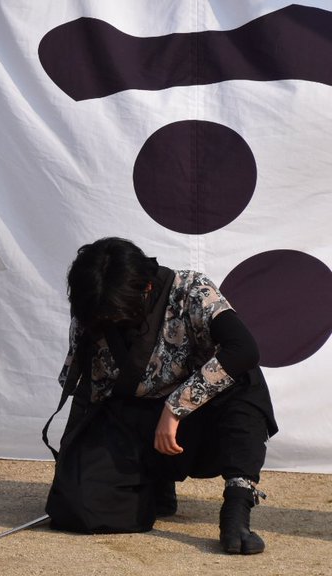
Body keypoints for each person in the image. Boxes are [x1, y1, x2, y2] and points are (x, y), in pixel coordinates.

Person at [52, 237, 277, 554]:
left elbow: (245, 349)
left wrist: (175, 408)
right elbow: (90, 392)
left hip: (201, 426)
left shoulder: (190, 290)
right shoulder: (94, 305)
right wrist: (74, 469)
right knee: (78, 508)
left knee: (245, 379)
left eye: (117, 313)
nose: (109, 321)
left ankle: (237, 507)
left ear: (146, 288)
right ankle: (152, 486)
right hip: (134, 425)